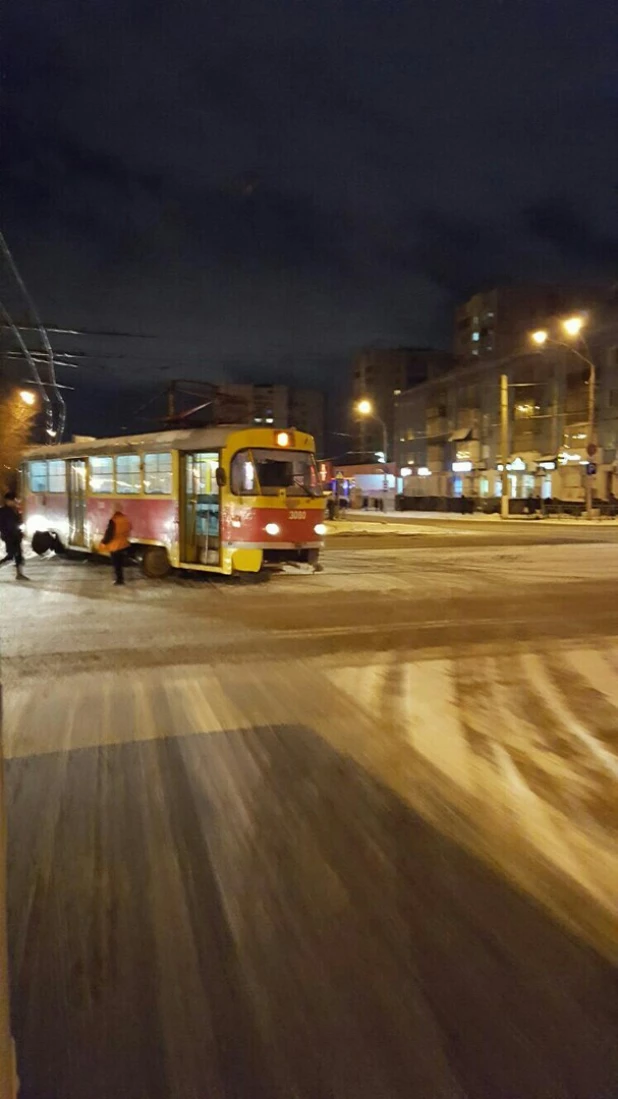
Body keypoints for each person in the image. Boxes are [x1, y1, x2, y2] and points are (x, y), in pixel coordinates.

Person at [0, 492, 28, 580]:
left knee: (18, 555)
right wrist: (5, 534)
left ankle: (19, 574)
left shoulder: (14, 510)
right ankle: (19, 574)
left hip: (16, 536)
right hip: (9, 536)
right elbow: (3, 525)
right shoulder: (3, 511)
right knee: (11, 556)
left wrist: (20, 531)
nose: (14, 502)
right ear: (7, 501)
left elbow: (18, 522)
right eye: (12, 500)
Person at [101, 507, 132, 585]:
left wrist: (104, 542)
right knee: (120, 564)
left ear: (114, 511)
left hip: (115, 546)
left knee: (116, 564)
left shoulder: (113, 521)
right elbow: (130, 528)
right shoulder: (125, 519)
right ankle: (121, 579)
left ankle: (119, 580)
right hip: (124, 544)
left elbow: (109, 534)